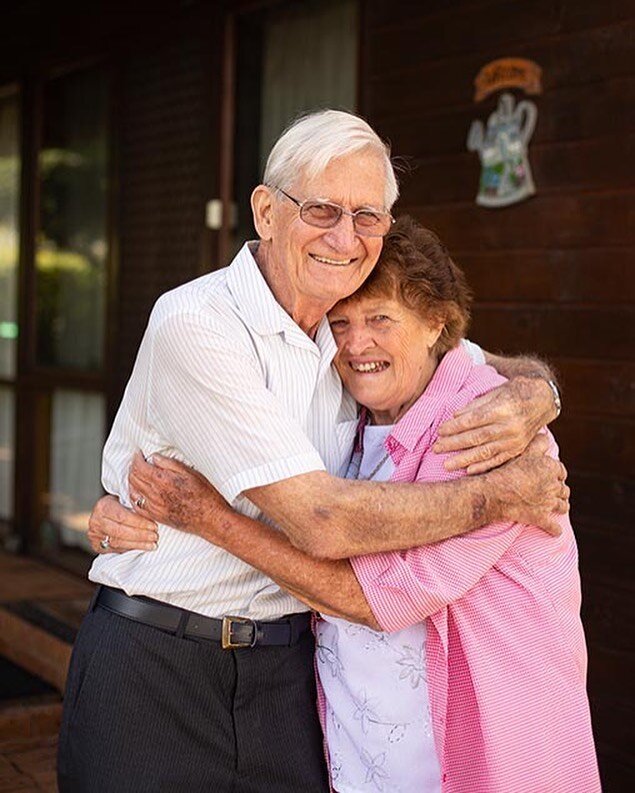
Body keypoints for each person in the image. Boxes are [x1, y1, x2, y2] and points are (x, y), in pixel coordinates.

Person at [60, 110, 566, 793]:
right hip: (159, 663)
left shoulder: (344, 331)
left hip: (285, 674)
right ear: (266, 212)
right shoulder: (198, 322)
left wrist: (539, 390)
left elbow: (465, 360)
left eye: (368, 216)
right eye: (322, 209)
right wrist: (497, 495)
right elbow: (322, 521)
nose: (345, 236)